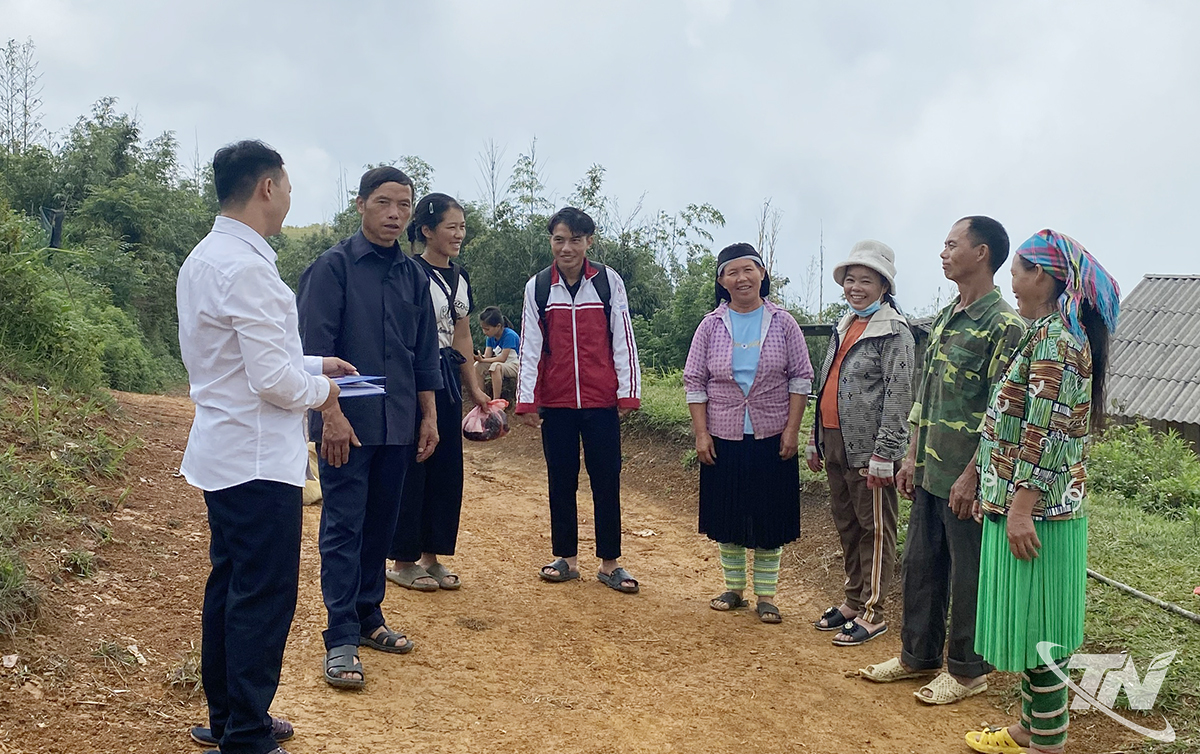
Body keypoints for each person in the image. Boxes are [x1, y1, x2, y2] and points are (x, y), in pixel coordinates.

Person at [177, 140, 355, 754]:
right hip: (257, 462)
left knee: (230, 586)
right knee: (262, 597)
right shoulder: (249, 268)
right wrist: (324, 387)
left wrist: (313, 361)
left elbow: (234, 357)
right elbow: (272, 382)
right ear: (267, 188)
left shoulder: (206, 258)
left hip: (224, 453)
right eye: (287, 184)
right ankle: (247, 735)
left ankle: (229, 718)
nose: (288, 197)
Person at [859, 216, 1025, 705]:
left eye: (953, 244)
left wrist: (972, 476)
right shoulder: (950, 314)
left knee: (968, 571)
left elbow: (1004, 412)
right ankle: (918, 657)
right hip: (931, 470)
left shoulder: (1005, 327)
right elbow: (925, 395)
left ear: (982, 254)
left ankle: (968, 670)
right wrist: (911, 454)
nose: (943, 252)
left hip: (967, 479)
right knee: (921, 564)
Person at [965, 230, 1119, 754]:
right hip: (1030, 508)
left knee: (1042, 635)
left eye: (1018, 270)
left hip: (1039, 516)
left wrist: (1021, 510)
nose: (1011, 276)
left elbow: (1048, 429)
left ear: (1044, 278)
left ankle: (1047, 744)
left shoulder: (1057, 340)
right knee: (1036, 630)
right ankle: (1033, 728)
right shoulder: (1049, 332)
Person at [297, 167, 441, 690]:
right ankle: (339, 635)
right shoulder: (331, 269)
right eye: (383, 203)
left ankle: (368, 617)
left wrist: (428, 416)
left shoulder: (413, 277)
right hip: (346, 426)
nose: (395, 214)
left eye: (403, 205)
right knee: (343, 526)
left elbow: (424, 354)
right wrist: (329, 416)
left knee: (381, 524)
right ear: (360, 205)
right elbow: (312, 354)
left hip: (399, 423)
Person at [684, 243, 813, 624]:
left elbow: (801, 377)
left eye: (748, 270)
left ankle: (767, 596)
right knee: (729, 513)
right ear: (721, 281)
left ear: (762, 273)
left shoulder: (783, 322)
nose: (741, 278)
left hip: (772, 432)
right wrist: (701, 433)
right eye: (732, 272)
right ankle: (734, 588)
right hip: (723, 433)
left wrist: (793, 430)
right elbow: (695, 381)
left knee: (769, 514)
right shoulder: (710, 324)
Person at [516, 207, 642, 593]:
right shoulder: (539, 286)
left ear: (589, 241)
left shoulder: (607, 282)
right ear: (551, 242)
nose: (566, 247)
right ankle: (566, 558)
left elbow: (623, 338)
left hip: (601, 401)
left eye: (574, 239)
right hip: (557, 404)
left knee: (606, 480)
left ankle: (610, 563)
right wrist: (526, 401)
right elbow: (531, 345)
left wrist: (627, 392)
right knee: (561, 479)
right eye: (558, 239)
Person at [806, 240, 914, 644]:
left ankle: (873, 611)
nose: (855, 287)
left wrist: (886, 452)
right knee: (847, 523)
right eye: (850, 279)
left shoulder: (894, 333)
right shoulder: (845, 324)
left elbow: (899, 394)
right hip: (836, 442)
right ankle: (853, 599)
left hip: (870, 450)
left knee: (876, 528)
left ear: (883, 286)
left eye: (865, 280)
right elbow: (826, 384)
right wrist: (815, 440)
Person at [386, 192, 492, 592]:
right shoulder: (408, 272)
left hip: (447, 376)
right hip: (414, 378)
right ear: (427, 230)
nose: (459, 234)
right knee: (415, 465)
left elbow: (462, 333)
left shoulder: (460, 276)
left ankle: (432, 556)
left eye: (462, 227)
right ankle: (402, 559)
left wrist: (475, 389)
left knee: (447, 468)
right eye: (451, 227)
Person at [473, 306, 520, 400]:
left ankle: (496, 400)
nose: (484, 332)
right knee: (477, 365)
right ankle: (481, 397)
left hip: (515, 364)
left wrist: (484, 359)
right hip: (502, 364)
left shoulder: (509, 335)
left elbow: (503, 358)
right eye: (483, 329)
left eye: (487, 329)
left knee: (495, 367)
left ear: (498, 326)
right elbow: (487, 356)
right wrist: (479, 358)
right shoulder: (490, 337)